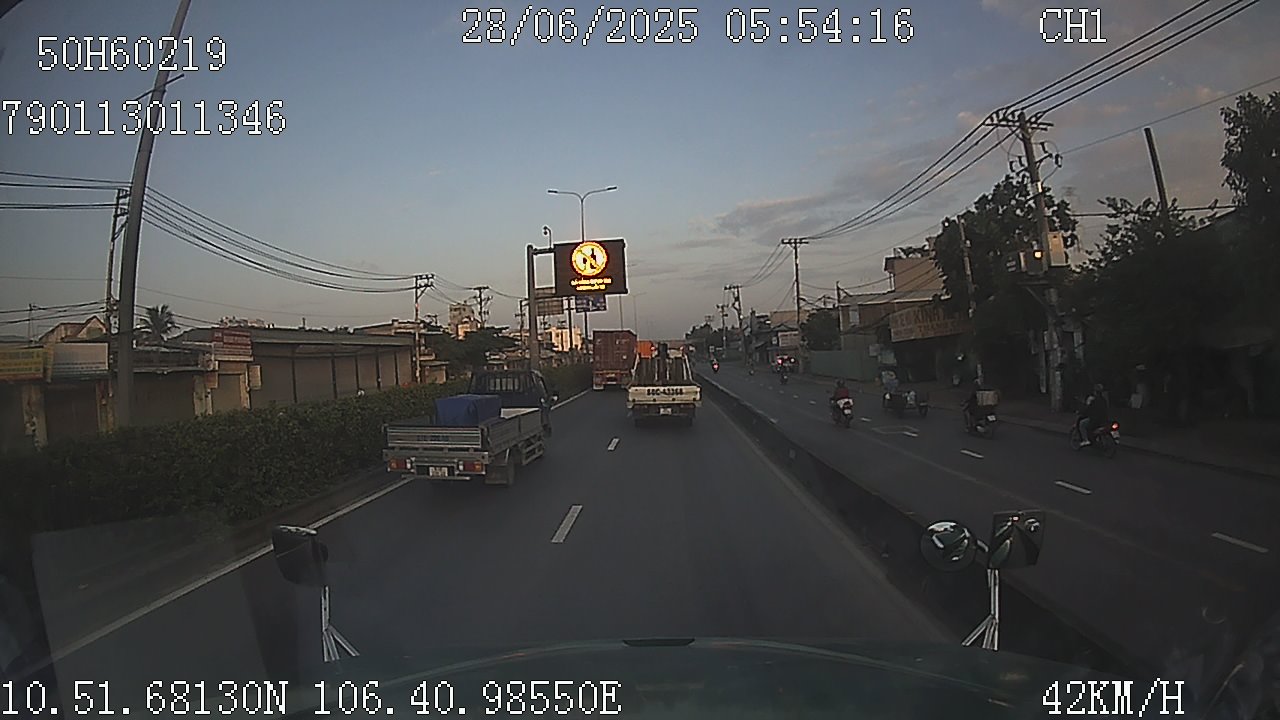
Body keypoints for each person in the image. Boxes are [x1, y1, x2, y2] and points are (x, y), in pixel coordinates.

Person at [1077, 382, 1110, 447]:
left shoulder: (1094, 401)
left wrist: (1081, 412)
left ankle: (1085, 440)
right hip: (1104, 420)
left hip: (1095, 420)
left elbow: (1089, 409)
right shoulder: (1104, 400)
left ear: (1095, 392)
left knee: (1082, 424)